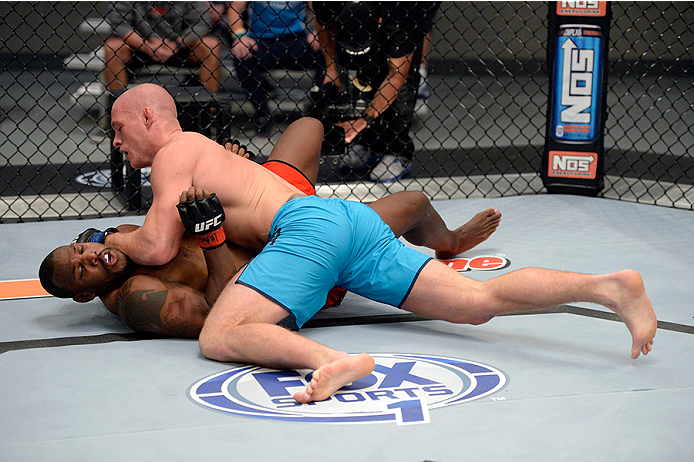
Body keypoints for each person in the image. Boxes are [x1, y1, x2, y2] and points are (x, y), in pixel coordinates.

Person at [103, 83, 657, 404]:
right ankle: (608, 285)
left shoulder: (175, 154)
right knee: (476, 303)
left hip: (308, 230)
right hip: (349, 221)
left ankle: (333, 361)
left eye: (120, 128)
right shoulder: (200, 147)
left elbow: (154, 247)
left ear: (149, 116)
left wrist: (112, 240)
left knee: (220, 335)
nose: (117, 142)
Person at [39, 119, 502, 338]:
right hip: (301, 265)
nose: (87, 256)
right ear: (86, 294)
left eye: (77, 250)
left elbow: (180, 212)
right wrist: (213, 236)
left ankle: (450, 243)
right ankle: (446, 241)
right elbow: (226, 315)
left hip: (280, 222)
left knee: (308, 125)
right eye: (81, 271)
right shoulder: (140, 297)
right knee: (415, 203)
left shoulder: (121, 241)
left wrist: (222, 173)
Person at [311, 1, 441, 182]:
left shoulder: (400, 13)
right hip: (361, 14)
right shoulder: (327, 5)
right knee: (364, 69)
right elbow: (322, 23)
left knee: (405, 72)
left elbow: (397, 75)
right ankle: (366, 141)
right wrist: (332, 69)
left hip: (406, 11)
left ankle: (397, 150)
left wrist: (366, 118)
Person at [226, 1, 326, 137]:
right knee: (241, 54)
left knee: (324, 51)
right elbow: (234, 9)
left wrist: (318, 32)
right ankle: (263, 113)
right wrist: (239, 36)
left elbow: (318, 9)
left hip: (295, 39)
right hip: (261, 40)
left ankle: (319, 111)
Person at [104, 1, 222, 93]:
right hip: (138, 48)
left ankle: (209, 114)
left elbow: (202, 22)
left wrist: (177, 44)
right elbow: (118, 22)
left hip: (181, 48)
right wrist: (146, 46)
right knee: (113, 47)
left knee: (211, 45)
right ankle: (118, 112)